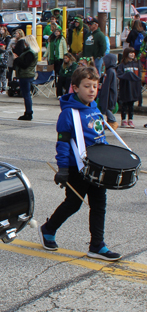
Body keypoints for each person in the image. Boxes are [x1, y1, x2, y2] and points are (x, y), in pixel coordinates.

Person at [39, 66, 122, 261]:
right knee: (73, 203)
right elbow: (62, 144)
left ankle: (97, 245)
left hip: (98, 167)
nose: (92, 90)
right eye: (87, 86)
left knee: (99, 204)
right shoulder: (68, 114)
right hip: (78, 167)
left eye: (95, 86)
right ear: (75, 88)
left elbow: (99, 137)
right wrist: (63, 169)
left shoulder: (94, 108)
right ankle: (48, 229)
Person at [13, 35, 39, 121]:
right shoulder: (32, 51)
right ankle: (28, 111)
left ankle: (28, 112)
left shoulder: (30, 52)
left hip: (26, 75)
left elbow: (24, 65)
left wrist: (16, 59)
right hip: (27, 74)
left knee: (26, 94)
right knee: (26, 94)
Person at [117, 47, 142, 128]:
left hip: (134, 87)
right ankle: (123, 120)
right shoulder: (122, 65)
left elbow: (139, 76)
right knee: (124, 104)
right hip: (125, 87)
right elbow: (120, 74)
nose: (132, 54)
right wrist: (127, 75)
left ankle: (130, 119)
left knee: (131, 104)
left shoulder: (137, 64)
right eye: (130, 53)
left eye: (133, 53)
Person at [97, 53, 119, 131]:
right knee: (106, 108)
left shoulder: (110, 71)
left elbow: (108, 85)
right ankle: (109, 122)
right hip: (109, 93)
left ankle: (113, 121)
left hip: (109, 94)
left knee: (107, 108)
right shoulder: (110, 71)